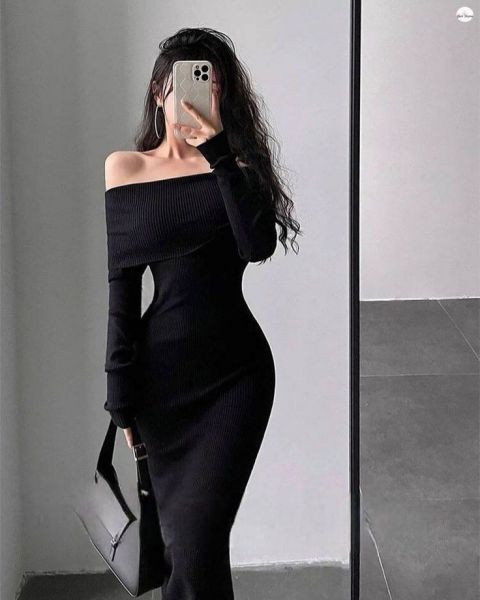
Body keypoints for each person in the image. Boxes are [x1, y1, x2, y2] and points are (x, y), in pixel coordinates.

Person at [103, 27, 300, 600]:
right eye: (179, 82)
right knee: (185, 551)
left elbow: (256, 246)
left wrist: (217, 156)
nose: (187, 96)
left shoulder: (236, 172)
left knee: (197, 542)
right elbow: (121, 292)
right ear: (158, 90)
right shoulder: (125, 169)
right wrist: (119, 396)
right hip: (161, 387)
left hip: (235, 380)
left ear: (221, 96)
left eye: (205, 85)